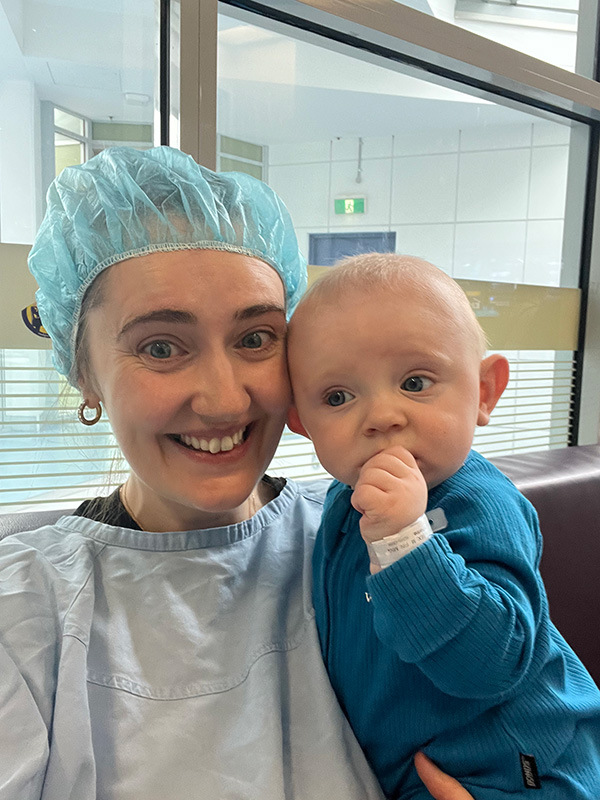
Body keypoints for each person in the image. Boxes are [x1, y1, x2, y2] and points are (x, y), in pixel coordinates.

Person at [0, 147, 476, 800]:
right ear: (85, 373)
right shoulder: (26, 609)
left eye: (256, 339)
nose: (224, 401)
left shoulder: (384, 540)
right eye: (161, 347)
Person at [286, 253, 600, 800]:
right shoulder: (341, 504)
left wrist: (406, 543)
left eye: (415, 382)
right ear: (300, 421)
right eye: (338, 397)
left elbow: (494, 663)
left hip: (520, 772)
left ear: (485, 391)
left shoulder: (480, 503)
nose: (382, 416)